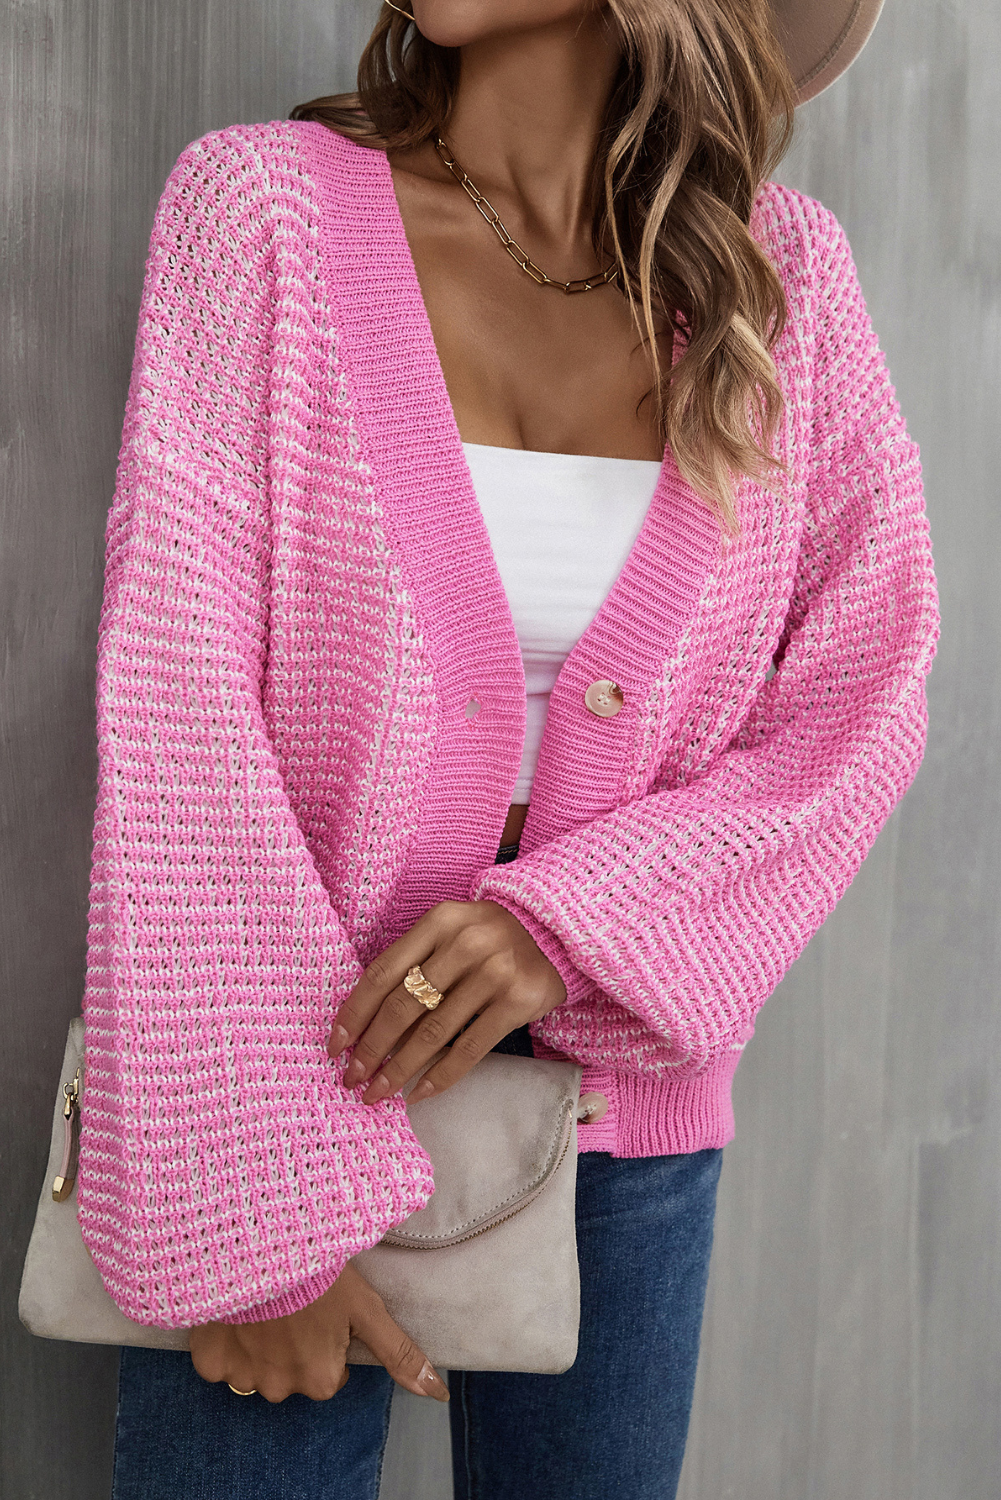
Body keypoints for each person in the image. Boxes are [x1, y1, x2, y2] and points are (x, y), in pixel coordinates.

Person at [80, 1, 938, 1496]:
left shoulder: (778, 276)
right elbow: (177, 706)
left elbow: (863, 693)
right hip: (278, 1078)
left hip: (627, 1118)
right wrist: (255, 1213)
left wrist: (568, 929)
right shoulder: (260, 213)